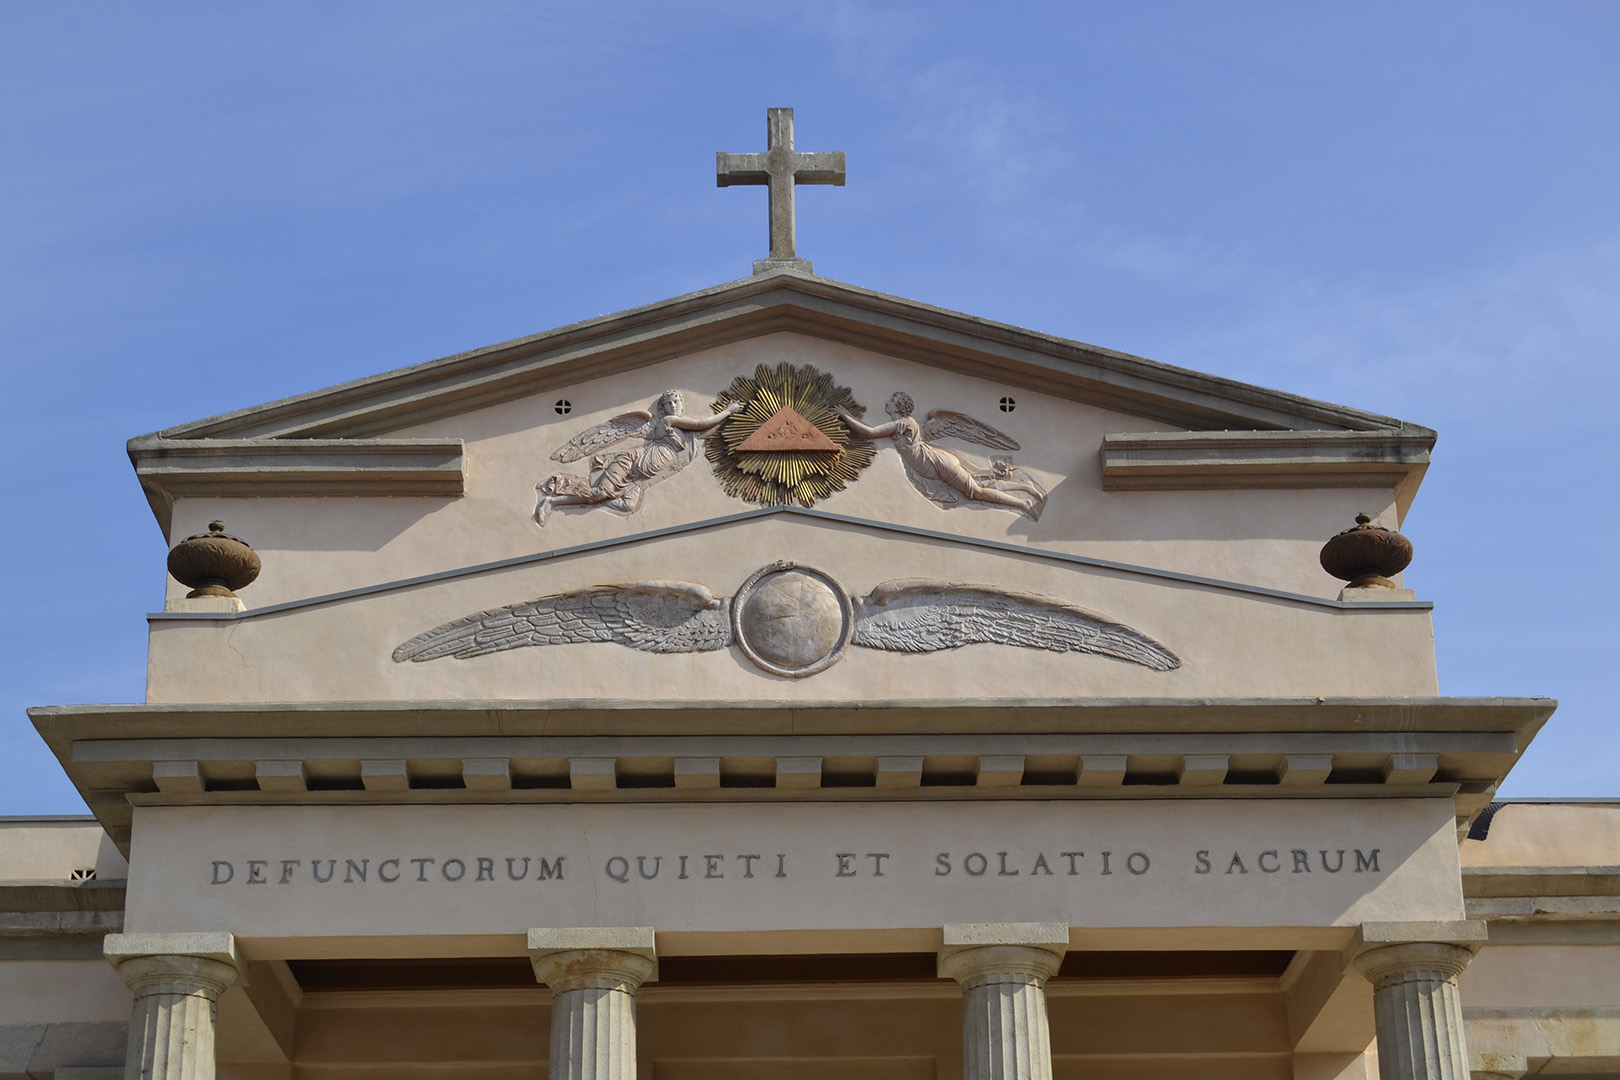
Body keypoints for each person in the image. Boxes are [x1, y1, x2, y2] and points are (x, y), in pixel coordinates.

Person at [536, 391, 743, 525]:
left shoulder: (687, 435)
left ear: (682, 404)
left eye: (676, 402)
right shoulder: (671, 421)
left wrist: (732, 417)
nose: (672, 405)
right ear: (663, 409)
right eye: (668, 403)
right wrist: (727, 411)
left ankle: (590, 500)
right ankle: (552, 501)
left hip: (636, 479)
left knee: (628, 506)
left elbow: (706, 430)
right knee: (600, 493)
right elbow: (702, 424)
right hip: (630, 462)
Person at [836, 392, 1043, 516]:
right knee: (979, 482)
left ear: (899, 406)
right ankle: (1024, 488)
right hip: (928, 464)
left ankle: (1022, 502)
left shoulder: (903, 423)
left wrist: (845, 415)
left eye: (891, 400)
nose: (886, 402)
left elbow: (870, 433)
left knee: (976, 492)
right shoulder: (906, 424)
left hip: (935, 462)